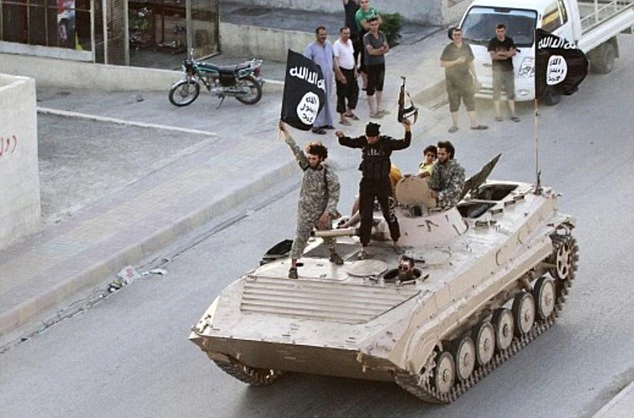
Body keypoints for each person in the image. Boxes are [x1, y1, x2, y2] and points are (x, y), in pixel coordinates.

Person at [336, 120, 412, 258]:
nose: (369, 140)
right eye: (368, 137)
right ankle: (364, 246)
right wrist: (341, 137)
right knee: (366, 215)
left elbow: (404, 144)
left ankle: (396, 241)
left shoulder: (386, 143)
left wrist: (407, 130)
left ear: (377, 136)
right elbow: (350, 142)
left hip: (383, 183)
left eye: (372, 138)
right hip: (367, 183)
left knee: (389, 214)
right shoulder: (363, 141)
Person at [279, 121, 344, 279]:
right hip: (305, 211)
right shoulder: (306, 166)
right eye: (309, 158)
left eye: (314, 158)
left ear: (321, 158)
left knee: (328, 236)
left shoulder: (328, 174)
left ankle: (333, 254)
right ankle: (293, 266)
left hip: (321, 213)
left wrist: (328, 212)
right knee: (300, 237)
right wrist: (285, 131)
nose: (310, 160)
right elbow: (295, 149)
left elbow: (334, 194)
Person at [440, 27, 488, 133]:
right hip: (452, 81)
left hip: (466, 78)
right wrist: (456, 62)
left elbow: (470, 62)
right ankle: (455, 125)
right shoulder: (448, 49)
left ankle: (475, 124)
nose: (457, 36)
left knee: (470, 101)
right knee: (454, 102)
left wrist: (476, 77)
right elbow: (442, 63)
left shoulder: (466, 47)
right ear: (451, 36)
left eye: (459, 34)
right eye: (455, 35)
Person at [304, 26, 336, 135]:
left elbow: (333, 59)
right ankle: (316, 125)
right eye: (321, 35)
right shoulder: (310, 48)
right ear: (316, 35)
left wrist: (339, 73)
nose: (323, 37)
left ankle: (326, 122)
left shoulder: (329, 45)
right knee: (318, 100)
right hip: (317, 79)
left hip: (328, 77)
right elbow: (306, 64)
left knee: (327, 99)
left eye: (325, 34)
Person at [488, 23, 520, 122]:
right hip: (497, 71)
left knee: (510, 91)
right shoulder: (492, 42)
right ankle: (498, 113)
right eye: (498, 31)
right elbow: (493, 56)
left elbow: (513, 53)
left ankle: (513, 113)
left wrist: (500, 53)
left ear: (505, 31)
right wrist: (506, 55)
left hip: (508, 70)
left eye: (501, 31)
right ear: (496, 31)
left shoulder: (509, 40)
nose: (500, 33)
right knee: (496, 91)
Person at [333, 26, 360, 126]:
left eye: (348, 33)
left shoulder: (349, 42)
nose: (347, 35)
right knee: (341, 94)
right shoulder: (337, 44)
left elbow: (352, 56)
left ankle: (349, 111)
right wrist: (339, 74)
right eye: (345, 33)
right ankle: (342, 117)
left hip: (351, 70)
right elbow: (335, 60)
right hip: (342, 70)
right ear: (341, 34)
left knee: (354, 91)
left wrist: (355, 69)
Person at [363, 16, 389, 119]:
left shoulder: (381, 34)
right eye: (372, 25)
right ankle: (372, 111)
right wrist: (381, 50)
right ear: (369, 25)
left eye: (376, 24)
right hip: (371, 64)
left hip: (381, 63)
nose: (374, 27)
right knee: (371, 87)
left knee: (380, 85)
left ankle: (379, 108)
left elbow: (387, 48)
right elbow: (370, 52)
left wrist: (378, 51)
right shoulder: (367, 37)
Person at [428, 140, 466, 209]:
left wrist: (438, 195)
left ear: (449, 154)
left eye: (442, 154)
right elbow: (432, 184)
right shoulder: (436, 165)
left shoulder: (458, 169)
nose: (439, 156)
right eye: (438, 154)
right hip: (435, 199)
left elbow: (454, 190)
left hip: (449, 202)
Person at [355, 0, 381, 91]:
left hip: (374, 35)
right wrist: (374, 24)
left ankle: (374, 81)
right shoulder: (359, 14)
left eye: (366, 2)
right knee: (364, 60)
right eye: (362, 2)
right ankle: (365, 83)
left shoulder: (372, 10)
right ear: (359, 3)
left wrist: (373, 24)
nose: (364, 4)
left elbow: (380, 21)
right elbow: (365, 26)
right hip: (364, 36)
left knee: (374, 58)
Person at [342, 0, 361, 66]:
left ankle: (355, 67)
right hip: (349, 31)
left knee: (357, 52)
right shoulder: (348, 2)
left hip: (358, 31)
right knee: (348, 51)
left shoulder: (361, 3)